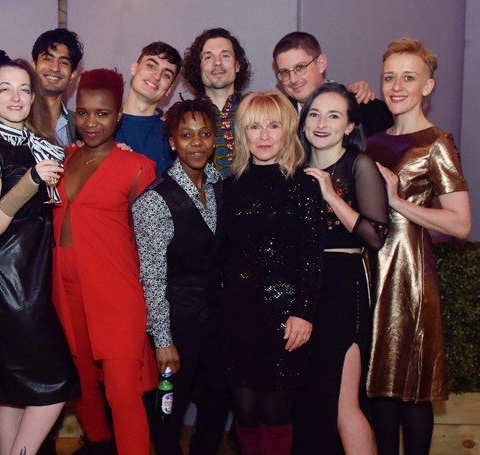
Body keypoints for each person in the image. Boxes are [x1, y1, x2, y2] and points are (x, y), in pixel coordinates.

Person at [0, 51, 81, 455]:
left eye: (23, 89)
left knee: (13, 391)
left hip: (33, 273)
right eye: (4, 89)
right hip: (6, 278)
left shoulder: (42, 143)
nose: (15, 97)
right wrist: (30, 182)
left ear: (33, 97)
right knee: (54, 383)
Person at [365, 38, 471, 455]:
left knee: (413, 387)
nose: (396, 85)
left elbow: (461, 223)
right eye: (389, 76)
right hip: (371, 272)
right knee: (379, 387)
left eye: (408, 77)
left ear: (427, 86)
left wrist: (397, 203)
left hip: (409, 276)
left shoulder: (437, 143)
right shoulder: (371, 142)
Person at [50, 68, 157, 455]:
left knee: (122, 390)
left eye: (102, 113)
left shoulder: (139, 167)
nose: (90, 122)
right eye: (82, 113)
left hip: (116, 294)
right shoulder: (60, 160)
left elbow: (151, 246)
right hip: (65, 291)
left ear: (118, 117)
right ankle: (97, 444)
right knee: (80, 382)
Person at [220, 91, 326, 455]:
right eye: (254, 126)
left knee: (275, 412)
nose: (263, 135)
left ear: (288, 131)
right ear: (242, 133)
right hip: (238, 316)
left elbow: (313, 257)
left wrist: (304, 313)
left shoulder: (304, 185)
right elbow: (224, 254)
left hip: (286, 317)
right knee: (246, 413)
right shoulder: (229, 186)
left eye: (273, 126)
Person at [291, 83, 389, 455]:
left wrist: (332, 195)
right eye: (314, 114)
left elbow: (375, 236)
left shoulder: (358, 164)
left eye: (334, 116)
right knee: (310, 403)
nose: (321, 123)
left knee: (343, 405)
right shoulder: (294, 165)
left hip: (342, 285)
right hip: (303, 287)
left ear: (349, 126)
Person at [132, 98, 232, 455]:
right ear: (172, 141)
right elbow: (153, 277)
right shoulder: (154, 202)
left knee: (220, 396)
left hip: (218, 318)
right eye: (186, 135)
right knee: (169, 405)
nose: (197, 143)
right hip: (178, 322)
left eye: (205, 134)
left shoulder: (222, 186)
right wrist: (162, 340)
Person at [272, 32, 394, 137]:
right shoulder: (277, 117)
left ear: (321, 63)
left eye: (300, 67)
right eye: (284, 72)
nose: (293, 79)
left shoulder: (364, 109)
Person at [182, 28, 251, 178]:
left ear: (237, 65)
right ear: (198, 69)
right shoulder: (183, 118)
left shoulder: (256, 110)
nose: (217, 62)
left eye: (225, 55)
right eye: (208, 57)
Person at [116, 42, 182, 174]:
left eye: (166, 75)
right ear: (134, 68)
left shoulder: (173, 133)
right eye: (151, 66)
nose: (157, 76)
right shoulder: (101, 123)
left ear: (170, 89)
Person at [31, 28, 84, 146]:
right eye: (48, 59)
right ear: (34, 66)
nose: (55, 68)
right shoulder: (14, 119)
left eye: (64, 62)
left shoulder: (82, 126)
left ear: (73, 74)